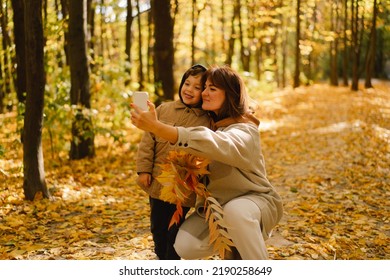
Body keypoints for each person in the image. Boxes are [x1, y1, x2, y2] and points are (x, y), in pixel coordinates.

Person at [131, 65, 283, 260]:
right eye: (205, 88)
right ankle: (236, 245)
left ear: (230, 94)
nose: (204, 93)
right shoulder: (208, 123)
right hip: (215, 209)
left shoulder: (245, 129)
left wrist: (158, 127)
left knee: (235, 212)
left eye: (212, 88)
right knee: (185, 245)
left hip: (253, 203)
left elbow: (214, 143)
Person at [135, 64, 210, 260]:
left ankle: (172, 260)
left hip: (184, 186)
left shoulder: (206, 120)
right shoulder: (164, 109)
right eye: (187, 83)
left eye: (197, 87)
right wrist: (143, 170)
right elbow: (147, 140)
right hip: (158, 183)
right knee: (158, 226)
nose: (189, 90)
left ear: (205, 93)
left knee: (175, 229)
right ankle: (162, 256)